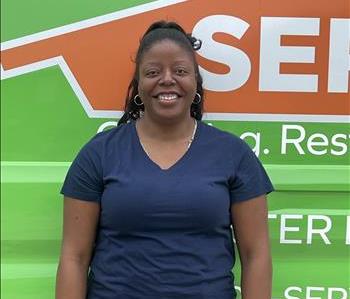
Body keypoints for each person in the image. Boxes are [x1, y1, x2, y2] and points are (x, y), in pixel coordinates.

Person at [56, 20, 274, 299]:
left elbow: (256, 255)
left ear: (196, 81)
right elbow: (74, 256)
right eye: (153, 72)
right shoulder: (99, 154)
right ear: (138, 85)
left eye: (180, 70)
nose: (167, 79)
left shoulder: (234, 154)